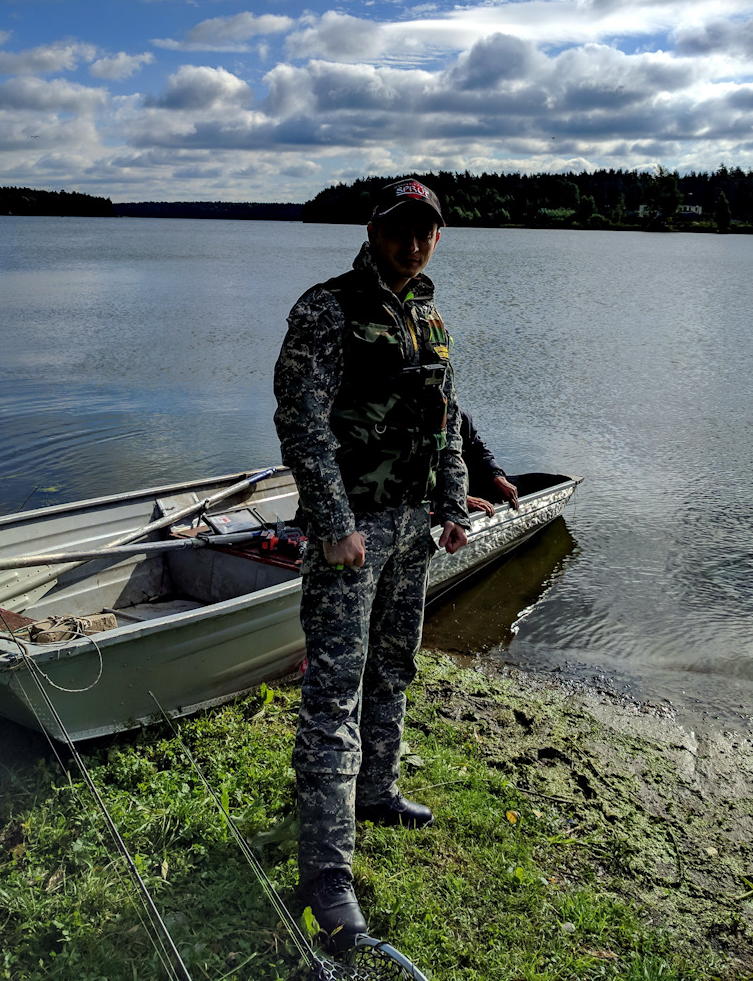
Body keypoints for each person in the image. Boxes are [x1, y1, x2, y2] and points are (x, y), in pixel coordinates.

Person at [273, 177, 470, 952]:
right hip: (351, 535)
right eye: (400, 228)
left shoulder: (428, 313)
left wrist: (452, 503)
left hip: (415, 526)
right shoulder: (326, 309)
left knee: (393, 667)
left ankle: (376, 790)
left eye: (425, 230)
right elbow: (301, 421)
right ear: (373, 228)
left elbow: (447, 418)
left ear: (437, 237)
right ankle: (326, 871)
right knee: (333, 693)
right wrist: (332, 524)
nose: (412, 242)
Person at [460, 411, 520, 516]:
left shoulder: (462, 418)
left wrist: (498, 477)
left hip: (463, 485)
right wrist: (459, 499)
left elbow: (481, 451)